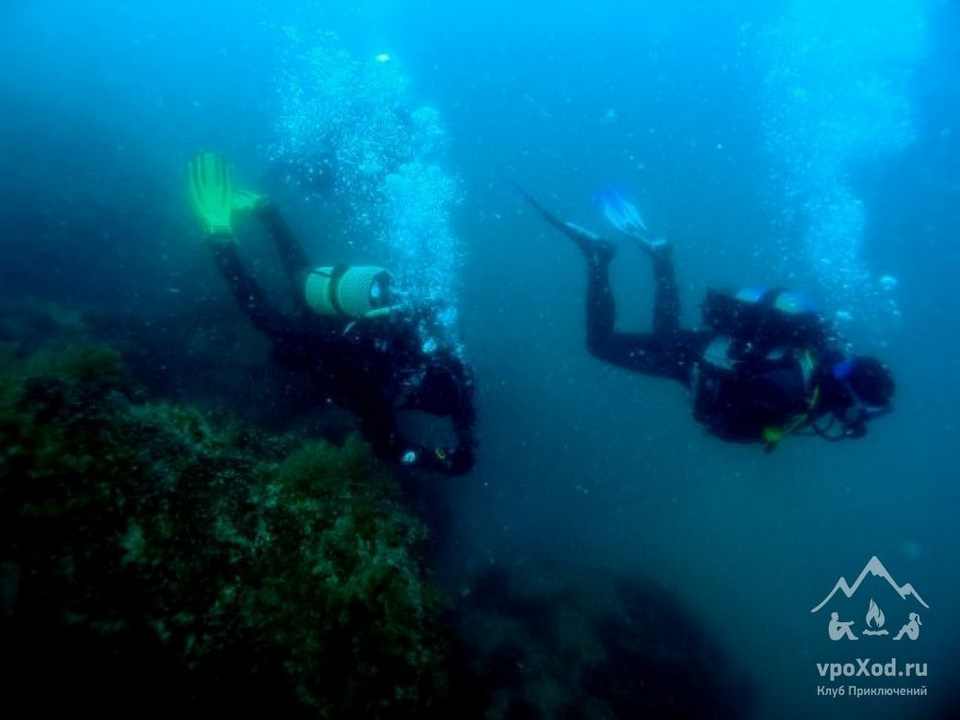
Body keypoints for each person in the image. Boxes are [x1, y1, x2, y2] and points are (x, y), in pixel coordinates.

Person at [521, 188, 895, 450]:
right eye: (868, 413)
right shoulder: (800, 389)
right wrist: (753, 425)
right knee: (600, 345)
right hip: (697, 362)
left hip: (706, 353)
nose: (861, 423)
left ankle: (657, 260)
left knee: (662, 337)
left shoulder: (819, 364)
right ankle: (602, 258)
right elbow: (737, 412)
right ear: (853, 396)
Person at [187, 153, 476, 475]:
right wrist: (436, 459)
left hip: (365, 321)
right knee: (270, 322)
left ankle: (268, 212)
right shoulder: (377, 381)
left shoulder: (446, 366)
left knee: (304, 285)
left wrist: (461, 448)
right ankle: (219, 235)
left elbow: (463, 407)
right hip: (350, 343)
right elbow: (388, 447)